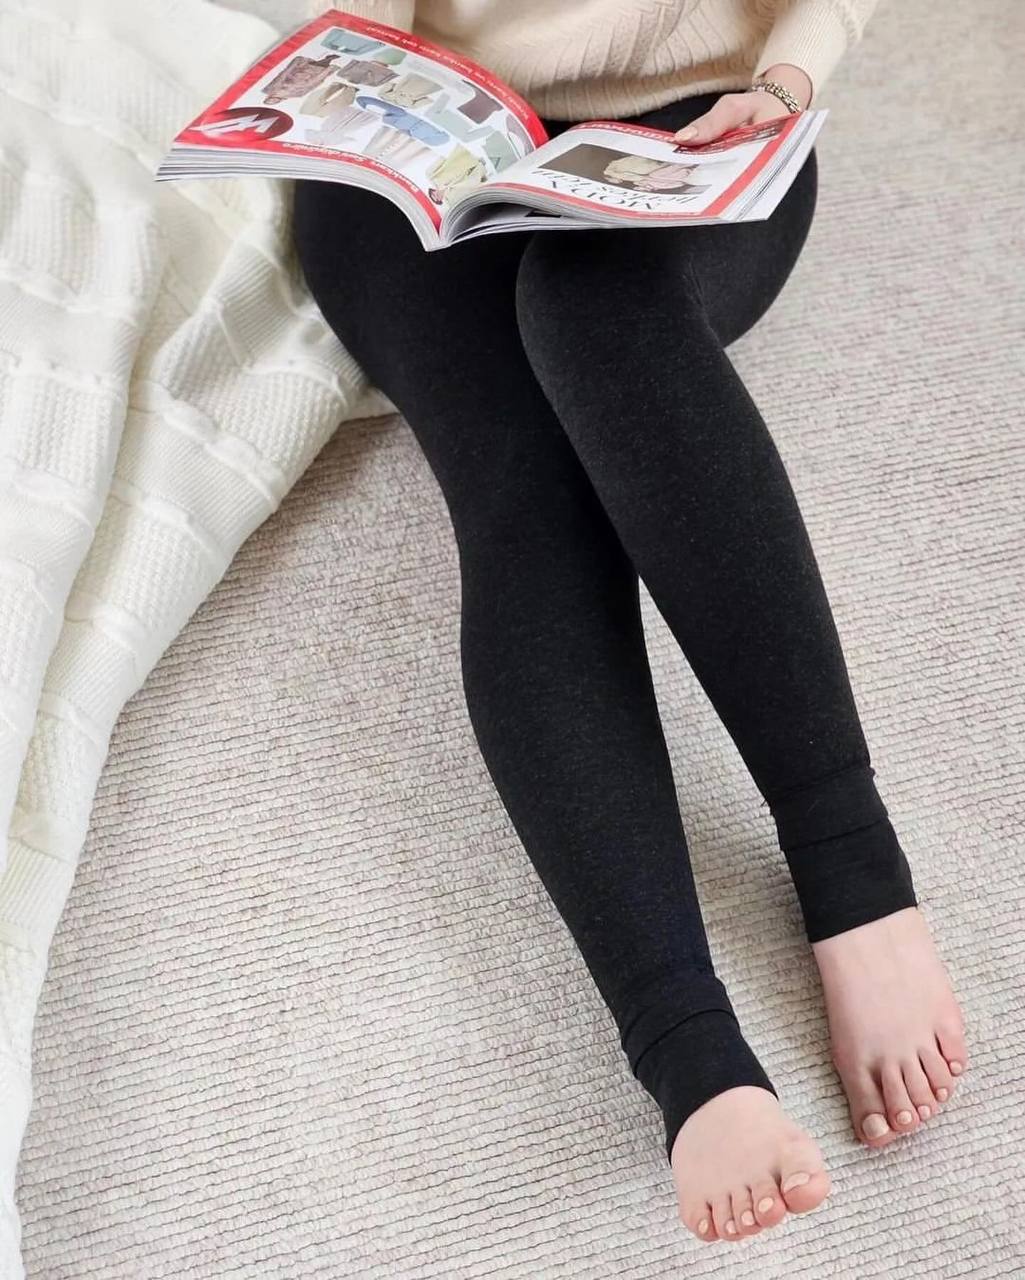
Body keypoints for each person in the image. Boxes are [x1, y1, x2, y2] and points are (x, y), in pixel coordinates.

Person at [292, 0, 967, 1244]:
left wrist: (783, 82)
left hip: (699, 113)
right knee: (523, 478)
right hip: (425, 135)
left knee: (601, 313)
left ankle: (854, 875)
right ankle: (687, 1049)